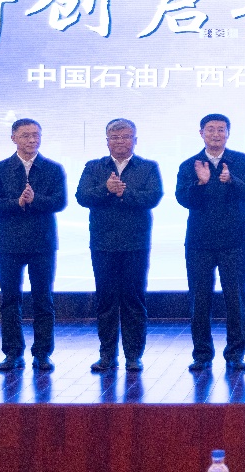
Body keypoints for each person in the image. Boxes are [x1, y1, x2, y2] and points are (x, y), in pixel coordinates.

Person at [77, 118, 164, 373]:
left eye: (126, 137)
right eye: (114, 138)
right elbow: (82, 196)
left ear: (135, 140)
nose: (120, 142)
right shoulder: (94, 167)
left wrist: (124, 192)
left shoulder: (147, 167)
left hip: (135, 243)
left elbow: (153, 197)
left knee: (133, 300)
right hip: (103, 243)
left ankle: (134, 356)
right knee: (105, 301)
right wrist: (106, 189)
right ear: (107, 141)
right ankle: (107, 355)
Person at [175, 114, 245, 373]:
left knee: (235, 297)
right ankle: (202, 355)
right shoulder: (189, 164)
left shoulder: (241, 161)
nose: (215, 134)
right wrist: (200, 183)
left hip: (235, 240)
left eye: (221, 130)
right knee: (199, 299)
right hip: (200, 241)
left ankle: (236, 354)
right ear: (201, 133)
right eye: (210, 129)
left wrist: (231, 180)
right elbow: (183, 199)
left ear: (228, 133)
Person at [0, 118, 67, 373]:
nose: (32, 139)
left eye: (35, 135)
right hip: (9, 244)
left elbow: (60, 202)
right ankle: (12, 353)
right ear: (13, 138)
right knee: (10, 300)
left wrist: (35, 199)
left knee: (43, 299)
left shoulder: (52, 168)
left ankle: (42, 353)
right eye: (25, 135)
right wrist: (17, 202)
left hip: (42, 243)